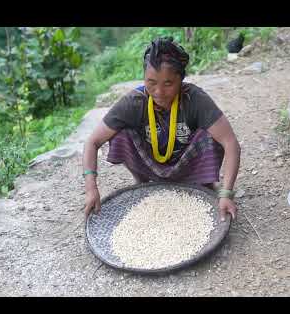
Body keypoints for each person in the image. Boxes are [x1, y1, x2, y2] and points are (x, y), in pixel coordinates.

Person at [82, 37, 241, 222]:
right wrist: (91, 187)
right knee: (120, 134)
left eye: (168, 83)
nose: (158, 92)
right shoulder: (134, 101)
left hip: (187, 164)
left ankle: (203, 184)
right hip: (150, 166)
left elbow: (231, 144)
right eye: (151, 82)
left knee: (212, 136)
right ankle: (143, 183)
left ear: (181, 80)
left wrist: (226, 193)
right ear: (143, 78)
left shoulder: (195, 98)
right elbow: (92, 142)